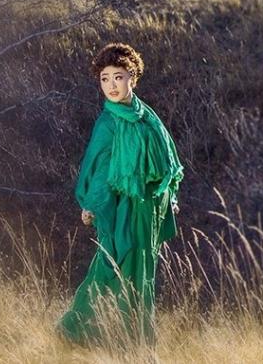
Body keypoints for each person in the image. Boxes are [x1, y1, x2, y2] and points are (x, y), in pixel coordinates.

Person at [57, 42, 184, 346]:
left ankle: (135, 342)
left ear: (132, 78)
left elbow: (166, 162)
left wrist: (171, 197)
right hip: (121, 211)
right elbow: (98, 168)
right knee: (110, 270)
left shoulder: (147, 117)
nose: (111, 85)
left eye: (118, 76)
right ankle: (73, 335)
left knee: (142, 278)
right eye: (104, 78)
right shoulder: (108, 122)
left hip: (149, 212)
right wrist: (90, 204)